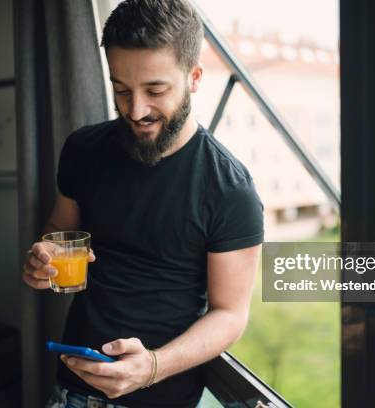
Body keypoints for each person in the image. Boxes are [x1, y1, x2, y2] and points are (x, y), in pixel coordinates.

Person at [22, 0, 264, 407]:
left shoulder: (230, 190)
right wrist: (42, 257)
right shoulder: (82, 149)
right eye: (121, 90)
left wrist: (151, 365)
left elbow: (230, 314)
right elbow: (57, 229)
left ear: (195, 77)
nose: (136, 110)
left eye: (155, 91)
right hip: (70, 393)